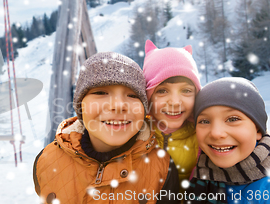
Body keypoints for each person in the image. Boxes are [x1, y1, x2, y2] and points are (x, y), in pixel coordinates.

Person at [33, 52, 179, 204]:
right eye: (100, 92)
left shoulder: (162, 167)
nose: (118, 105)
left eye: (132, 95)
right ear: (80, 105)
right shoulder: (46, 161)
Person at [189, 77, 270, 203]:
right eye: (204, 121)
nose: (216, 133)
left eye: (232, 119)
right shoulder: (196, 172)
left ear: (258, 130)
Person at [142, 40, 201, 186]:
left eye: (186, 91)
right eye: (162, 91)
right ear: (148, 96)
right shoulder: (133, 133)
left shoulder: (203, 135)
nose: (175, 102)